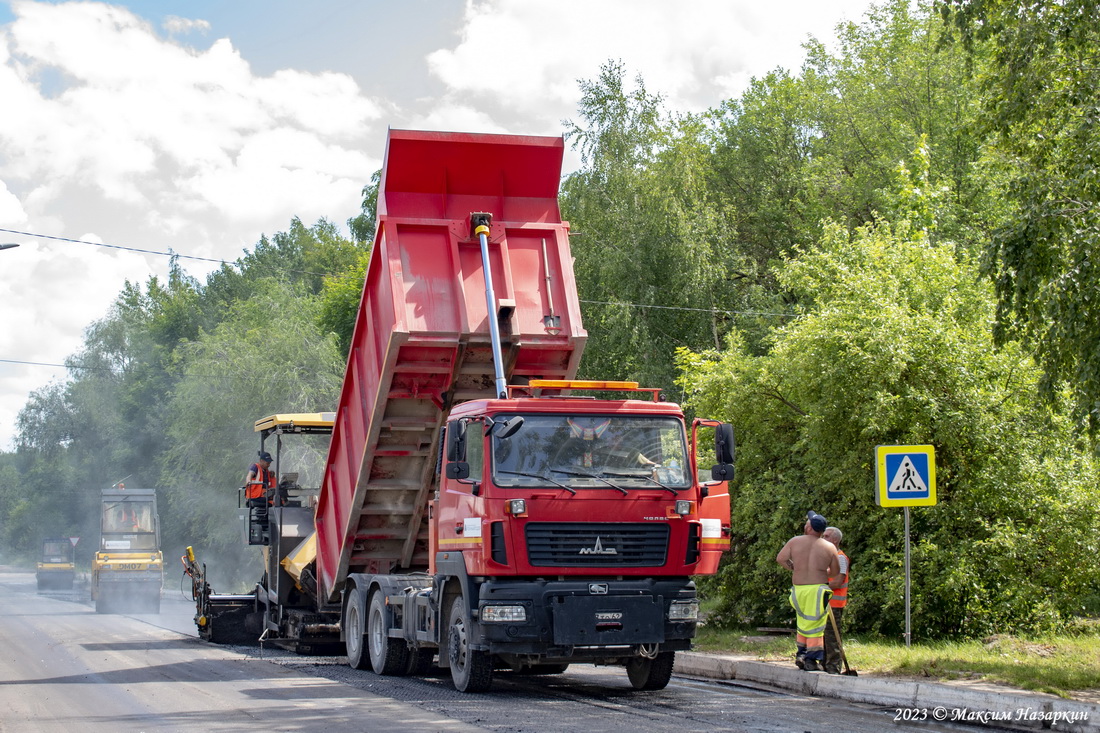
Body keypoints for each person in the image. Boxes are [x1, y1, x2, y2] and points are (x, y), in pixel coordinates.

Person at [776, 510, 840, 672]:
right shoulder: (829, 547)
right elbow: (834, 572)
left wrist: (795, 568)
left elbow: (781, 559)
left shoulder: (795, 541)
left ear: (810, 527)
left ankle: (802, 654)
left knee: (803, 623)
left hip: (798, 590)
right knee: (816, 625)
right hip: (818, 589)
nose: (806, 524)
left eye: (807, 522)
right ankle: (811, 659)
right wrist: (818, 571)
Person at [822, 525, 850, 675]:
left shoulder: (840, 558)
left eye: (826, 536)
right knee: (822, 636)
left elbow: (838, 581)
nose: (823, 539)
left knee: (832, 637)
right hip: (824, 602)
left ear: (835, 540)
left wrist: (820, 585)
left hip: (834, 604)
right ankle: (824, 665)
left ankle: (833, 667)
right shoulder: (827, 557)